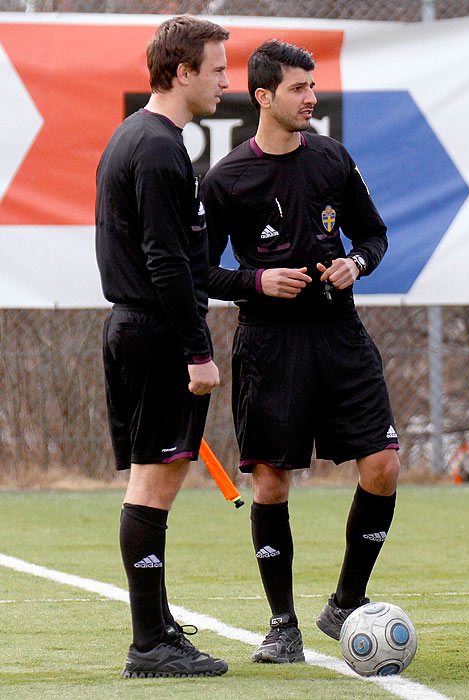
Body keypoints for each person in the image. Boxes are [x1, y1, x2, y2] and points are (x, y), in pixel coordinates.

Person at [201, 40, 401, 665]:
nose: (311, 98)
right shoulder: (227, 177)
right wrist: (258, 281)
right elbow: (198, 273)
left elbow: (374, 233)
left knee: (384, 464)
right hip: (269, 345)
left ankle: (346, 600)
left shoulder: (333, 159)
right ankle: (282, 625)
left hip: (340, 336)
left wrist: (355, 263)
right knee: (271, 482)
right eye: (298, 88)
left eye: (313, 87)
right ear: (263, 96)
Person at [95, 16, 230, 678]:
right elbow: (167, 261)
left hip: (140, 328)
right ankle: (149, 644)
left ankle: (156, 629)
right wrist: (197, 351)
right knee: (154, 483)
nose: (226, 82)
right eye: (216, 69)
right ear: (181, 72)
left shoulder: (144, 137)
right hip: (153, 333)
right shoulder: (156, 146)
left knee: (155, 482)